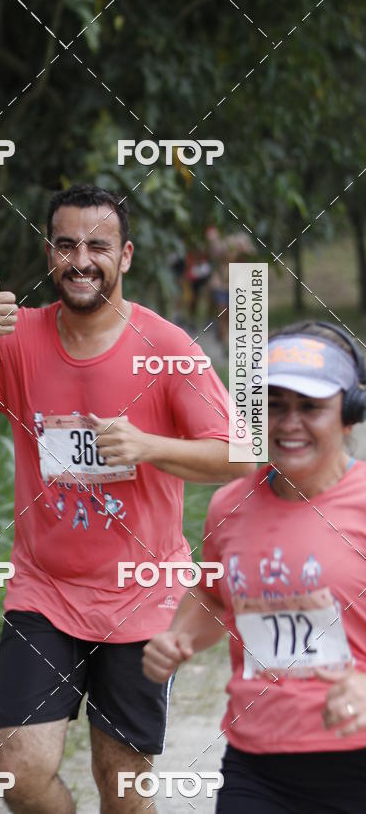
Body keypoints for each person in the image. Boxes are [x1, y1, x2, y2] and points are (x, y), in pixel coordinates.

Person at [0, 184, 252, 813]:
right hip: (44, 590)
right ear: (49, 254)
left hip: (141, 597)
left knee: (120, 785)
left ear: (127, 258)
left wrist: (146, 446)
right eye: (67, 245)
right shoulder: (16, 341)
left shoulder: (167, 349)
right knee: (19, 773)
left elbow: (239, 453)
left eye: (99, 245)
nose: (82, 259)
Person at [143, 321, 366, 813]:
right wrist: (178, 638)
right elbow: (215, 595)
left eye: (310, 407)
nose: (289, 424)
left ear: (349, 415)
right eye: (274, 405)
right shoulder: (229, 505)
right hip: (257, 762)